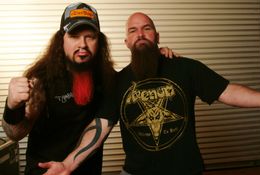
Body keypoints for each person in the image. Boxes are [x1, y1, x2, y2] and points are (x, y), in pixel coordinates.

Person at [39, 12, 260, 175]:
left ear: (157, 37)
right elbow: (99, 128)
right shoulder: (117, 81)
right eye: (133, 31)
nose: (141, 34)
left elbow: (228, 92)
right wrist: (67, 164)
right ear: (126, 42)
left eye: (147, 28)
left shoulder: (186, 68)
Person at [1, 3, 174, 175]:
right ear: (62, 39)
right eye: (74, 36)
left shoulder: (108, 79)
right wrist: (12, 106)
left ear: (100, 41)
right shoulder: (41, 79)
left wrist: (157, 56)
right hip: (46, 172)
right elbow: (15, 134)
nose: (82, 44)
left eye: (90, 36)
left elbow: (138, 74)